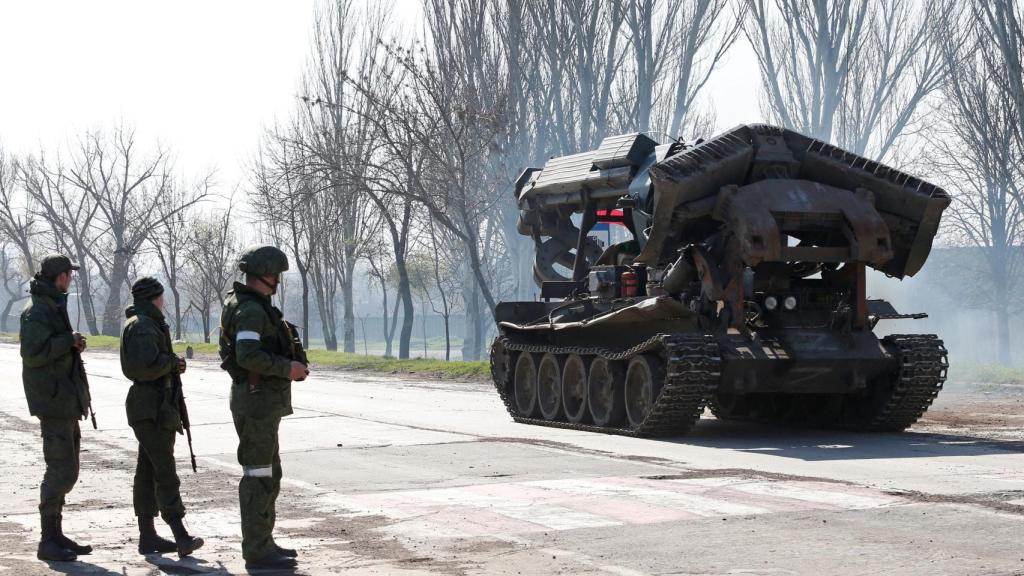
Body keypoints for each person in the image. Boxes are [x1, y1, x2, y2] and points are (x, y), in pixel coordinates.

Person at [218, 245, 309, 571]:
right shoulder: (252, 311)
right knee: (258, 476)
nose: (279, 281)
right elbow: (247, 355)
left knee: (270, 473)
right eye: (277, 275)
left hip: (260, 402)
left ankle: (263, 541)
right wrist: (288, 369)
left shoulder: (248, 305)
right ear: (267, 275)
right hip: (256, 403)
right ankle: (256, 551)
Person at [120, 277, 204, 558]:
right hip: (151, 408)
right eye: (161, 297)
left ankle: (148, 537)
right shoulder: (143, 325)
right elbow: (143, 369)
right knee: (165, 473)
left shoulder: (145, 322)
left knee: (147, 472)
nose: (164, 302)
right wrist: (173, 363)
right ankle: (180, 534)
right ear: (155, 297)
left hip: (154, 407)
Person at [20, 254, 91, 562]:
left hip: (64, 399)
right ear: (59, 277)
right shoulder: (37, 310)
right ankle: (47, 539)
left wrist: (72, 343)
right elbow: (33, 354)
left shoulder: (52, 304)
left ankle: (56, 534)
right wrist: (67, 341)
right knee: (61, 469)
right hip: (53, 401)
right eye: (68, 275)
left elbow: (57, 347)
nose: (70, 279)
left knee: (68, 468)